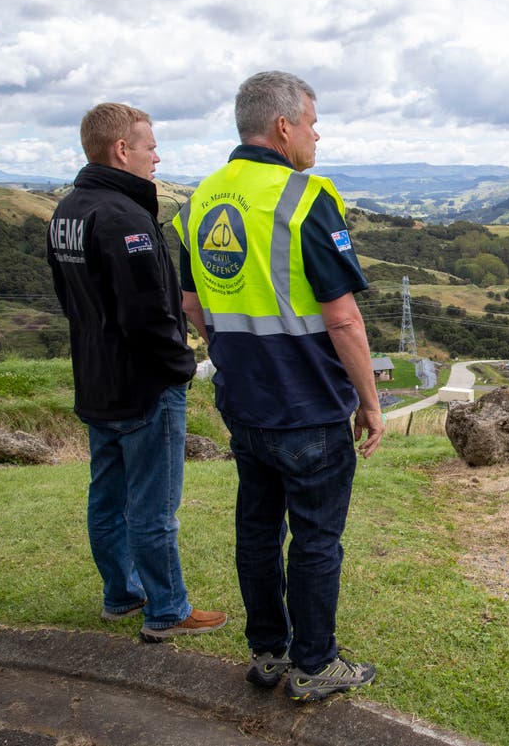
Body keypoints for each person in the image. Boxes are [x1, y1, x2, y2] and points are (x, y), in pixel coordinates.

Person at [174, 71, 384, 702]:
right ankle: (316, 665)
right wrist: (370, 402)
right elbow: (342, 316)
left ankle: (268, 652)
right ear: (284, 126)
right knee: (316, 538)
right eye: (313, 124)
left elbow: (191, 303)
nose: (317, 137)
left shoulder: (199, 202)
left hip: (244, 404)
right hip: (310, 406)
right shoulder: (305, 196)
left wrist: (233, 351)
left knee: (259, 532)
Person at [47, 103, 227, 642]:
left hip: (96, 379)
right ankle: (167, 609)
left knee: (107, 498)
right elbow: (147, 312)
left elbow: (71, 301)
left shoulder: (68, 211)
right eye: (150, 146)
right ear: (122, 150)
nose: (157, 156)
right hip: (144, 386)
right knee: (153, 507)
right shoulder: (126, 218)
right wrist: (180, 367)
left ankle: (121, 595)